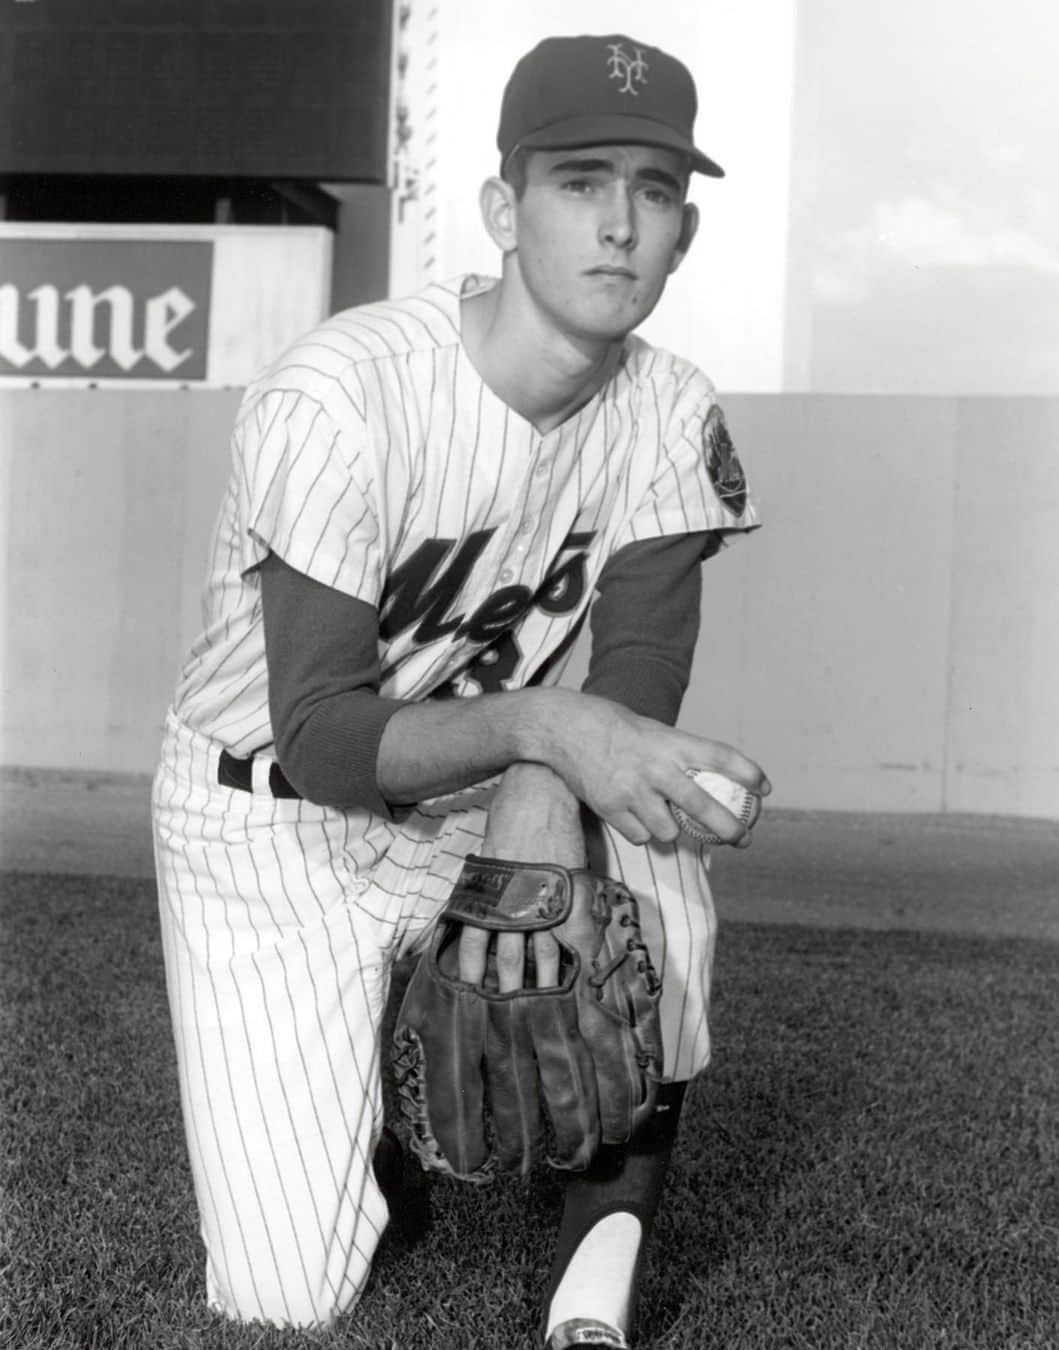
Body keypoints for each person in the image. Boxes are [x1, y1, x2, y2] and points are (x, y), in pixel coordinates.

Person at [151, 30, 768, 1350]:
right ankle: (371, 1113)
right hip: (265, 827)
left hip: (470, 796)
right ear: (502, 209)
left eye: (654, 191)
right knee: (286, 1296)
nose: (619, 222)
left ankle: (591, 1285)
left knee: (663, 821)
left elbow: (636, 679)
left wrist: (552, 772)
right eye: (579, 180)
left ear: (686, 230)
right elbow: (321, 737)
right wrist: (548, 730)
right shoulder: (343, 397)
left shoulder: (668, 407)